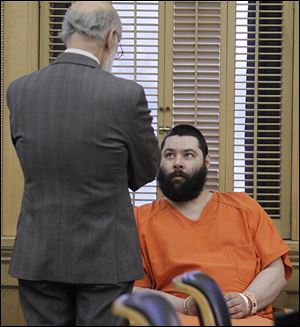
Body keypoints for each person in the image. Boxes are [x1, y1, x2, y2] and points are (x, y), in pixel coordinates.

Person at [7, 2, 160, 326]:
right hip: (106, 258)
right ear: (111, 36)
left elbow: (31, 157)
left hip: (38, 253)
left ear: (67, 32)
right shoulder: (125, 95)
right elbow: (147, 168)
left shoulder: (19, 90)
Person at [133, 124, 292, 326]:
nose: (178, 163)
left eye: (188, 155)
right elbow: (132, 290)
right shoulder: (140, 219)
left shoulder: (244, 207)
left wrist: (247, 300)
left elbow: (275, 269)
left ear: (207, 162)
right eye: (169, 155)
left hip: (246, 319)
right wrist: (185, 305)